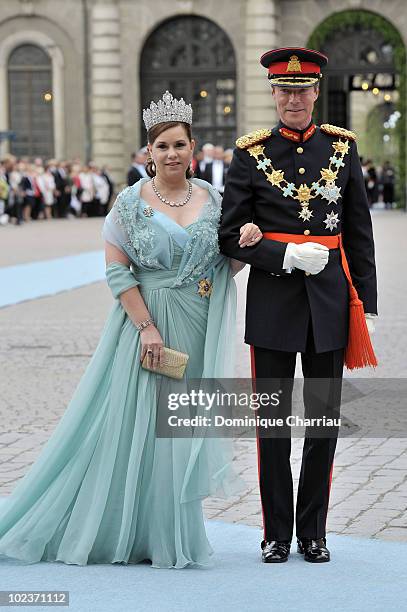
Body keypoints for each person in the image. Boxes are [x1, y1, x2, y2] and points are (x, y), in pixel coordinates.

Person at [0, 91, 261, 569]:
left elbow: (225, 268)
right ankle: (122, 530)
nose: (171, 154)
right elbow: (118, 272)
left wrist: (247, 242)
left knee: (178, 433)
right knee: (133, 429)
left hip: (196, 323)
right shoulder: (128, 202)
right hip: (146, 325)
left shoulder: (215, 198)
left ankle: (170, 534)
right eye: (162, 147)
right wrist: (146, 328)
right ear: (148, 153)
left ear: (193, 147)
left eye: (179, 145)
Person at [219, 47, 378, 564]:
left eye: (302, 90)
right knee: (272, 425)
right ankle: (276, 533)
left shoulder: (342, 147)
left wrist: (365, 299)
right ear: (273, 93)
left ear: (315, 93)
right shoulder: (249, 153)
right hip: (273, 300)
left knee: (323, 422)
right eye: (284, 90)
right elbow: (229, 236)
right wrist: (281, 252)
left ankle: (314, 532)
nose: (293, 98)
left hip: (330, 301)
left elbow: (358, 226)